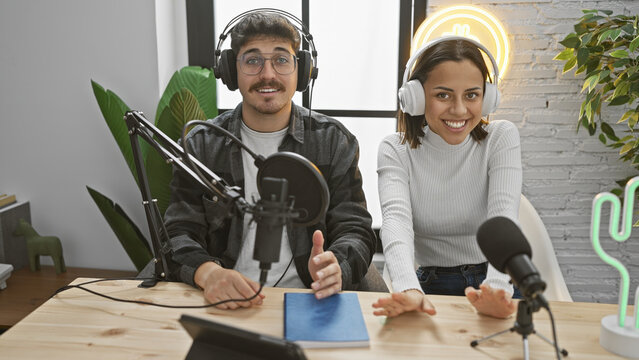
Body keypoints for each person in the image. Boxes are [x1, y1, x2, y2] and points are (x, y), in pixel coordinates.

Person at [162, 10, 376, 310]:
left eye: (281, 59)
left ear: (301, 71)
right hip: (223, 298)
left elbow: (355, 228)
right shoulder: (202, 145)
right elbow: (177, 232)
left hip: (309, 299)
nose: (267, 74)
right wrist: (210, 274)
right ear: (229, 70)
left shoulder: (333, 142)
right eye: (252, 60)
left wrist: (335, 266)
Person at [372, 37, 522, 319]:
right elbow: (396, 222)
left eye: (472, 95)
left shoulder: (501, 138)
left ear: (487, 97)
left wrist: (498, 287)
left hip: (496, 278)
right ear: (415, 97)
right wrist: (408, 289)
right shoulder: (395, 150)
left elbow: (504, 215)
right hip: (431, 283)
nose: (459, 109)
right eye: (443, 95)